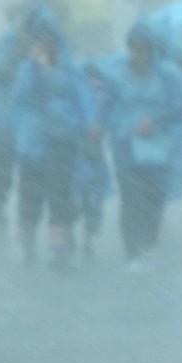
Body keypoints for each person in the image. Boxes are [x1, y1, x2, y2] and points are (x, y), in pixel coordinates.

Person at [10, 8, 95, 269]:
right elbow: (21, 97)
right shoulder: (28, 68)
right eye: (42, 39)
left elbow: (83, 101)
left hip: (62, 142)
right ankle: (27, 245)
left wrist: (86, 128)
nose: (47, 44)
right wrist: (36, 67)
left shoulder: (70, 69)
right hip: (33, 145)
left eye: (51, 39)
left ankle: (58, 247)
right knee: (30, 196)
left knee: (60, 195)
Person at [104, 24, 182, 270]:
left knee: (155, 199)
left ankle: (148, 244)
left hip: (157, 148)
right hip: (125, 147)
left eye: (143, 50)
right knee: (130, 199)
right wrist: (107, 127)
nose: (138, 54)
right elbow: (107, 107)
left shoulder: (169, 77)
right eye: (134, 48)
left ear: (152, 51)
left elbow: (179, 110)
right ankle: (132, 252)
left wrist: (155, 122)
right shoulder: (116, 75)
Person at [0, 9, 29, 253]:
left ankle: (26, 226)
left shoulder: (47, 44)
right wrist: (18, 56)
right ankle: (0, 217)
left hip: (29, 131)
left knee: (29, 183)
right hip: (1, 126)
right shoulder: (4, 44)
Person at [73, 62, 115, 260]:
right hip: (86, 152)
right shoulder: (99, 91)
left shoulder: (97, 94)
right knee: (89, 195)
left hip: (87, 152)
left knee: (87, 195)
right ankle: (87, 234)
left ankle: (86, 233)